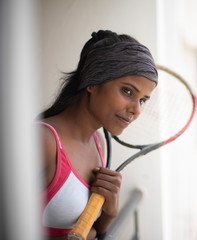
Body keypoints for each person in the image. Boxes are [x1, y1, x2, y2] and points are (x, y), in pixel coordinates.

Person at [38, 30, 158, 239]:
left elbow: (94, 230)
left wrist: (109, 213)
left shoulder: (98, 143)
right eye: (128, 91)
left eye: (143, 100)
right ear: (93, 81)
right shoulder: (42, 141)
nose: (136, 110)